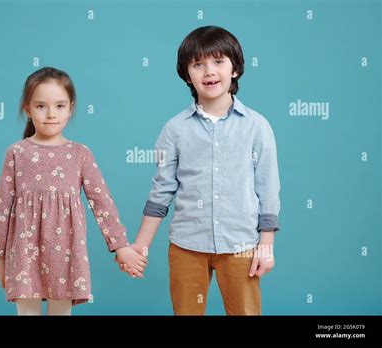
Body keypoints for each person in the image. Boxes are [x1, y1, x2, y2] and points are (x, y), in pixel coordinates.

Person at [120, 26, 281, 315]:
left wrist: (266, 245)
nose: (209, 71)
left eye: (218, 61)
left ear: (235, 69)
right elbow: (161, 191)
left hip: (241, 245)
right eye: (198, 64)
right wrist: (140, 246)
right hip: (187, 244)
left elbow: (267, 188)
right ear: (187, 74)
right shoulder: (174, 129)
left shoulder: (257, 126)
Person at [0, 67, 146, 315]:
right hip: (23, 255)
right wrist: (1, 259)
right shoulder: (16, 153)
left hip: (66, 254)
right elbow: (2, 207)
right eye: (41, 106)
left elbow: (101, 201)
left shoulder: (80, 154)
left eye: (60, 106)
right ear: (27, 109)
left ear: (71, 108)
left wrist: (120, 245)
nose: (51, 114)